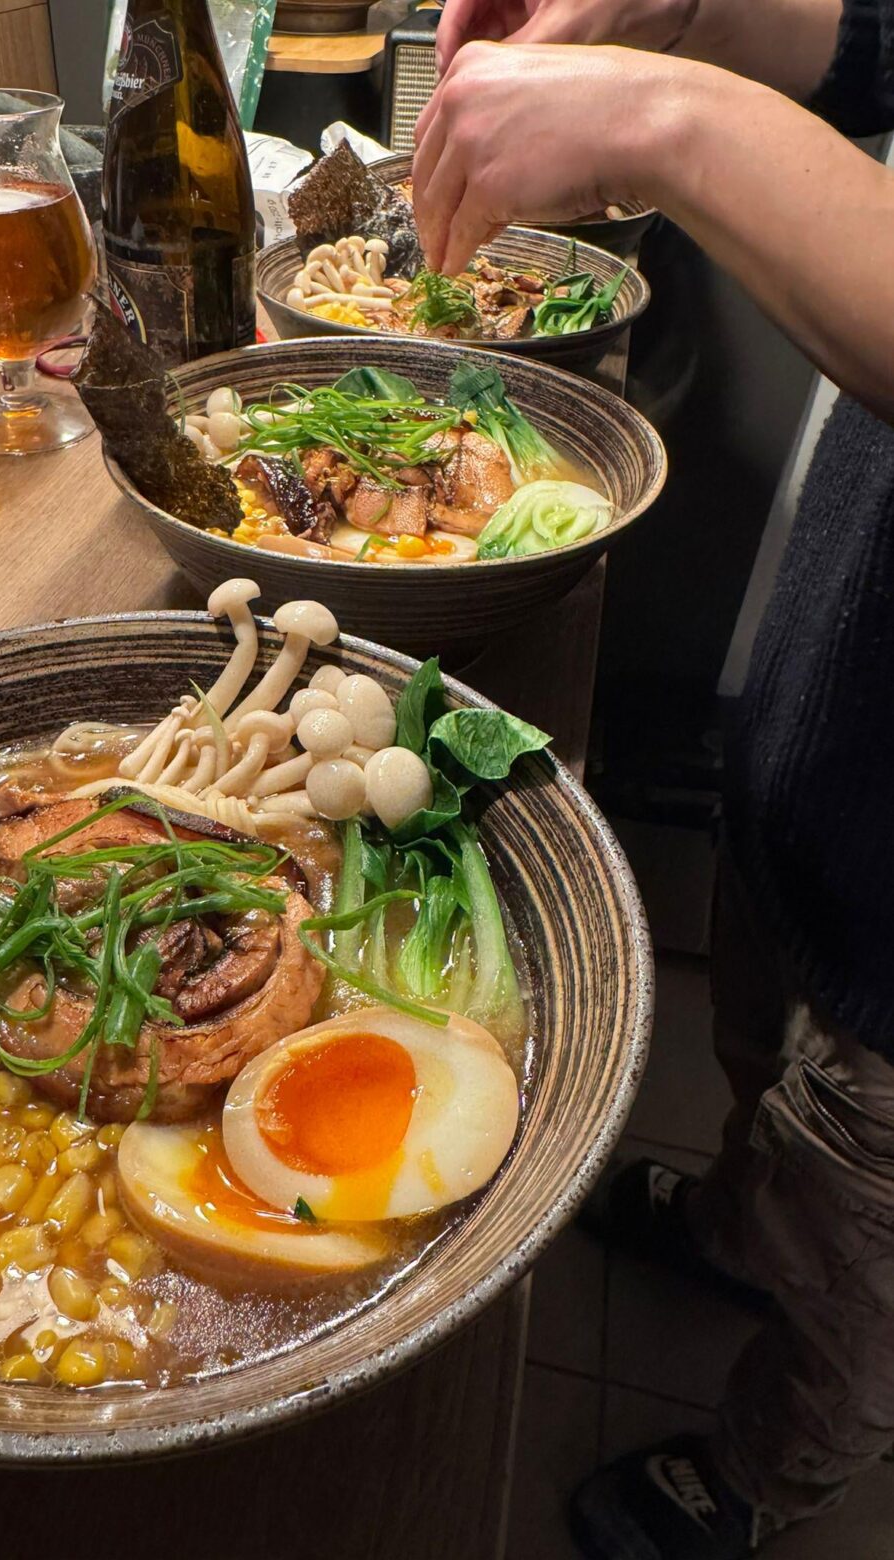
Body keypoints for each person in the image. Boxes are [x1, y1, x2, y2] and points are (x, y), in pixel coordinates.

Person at [414, 2, 894, 1557]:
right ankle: (739, 1226)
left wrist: (666, 118)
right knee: (773, 1062)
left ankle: (770, 1477)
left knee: (863, 1271)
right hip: (836, 757)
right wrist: (682, 10)